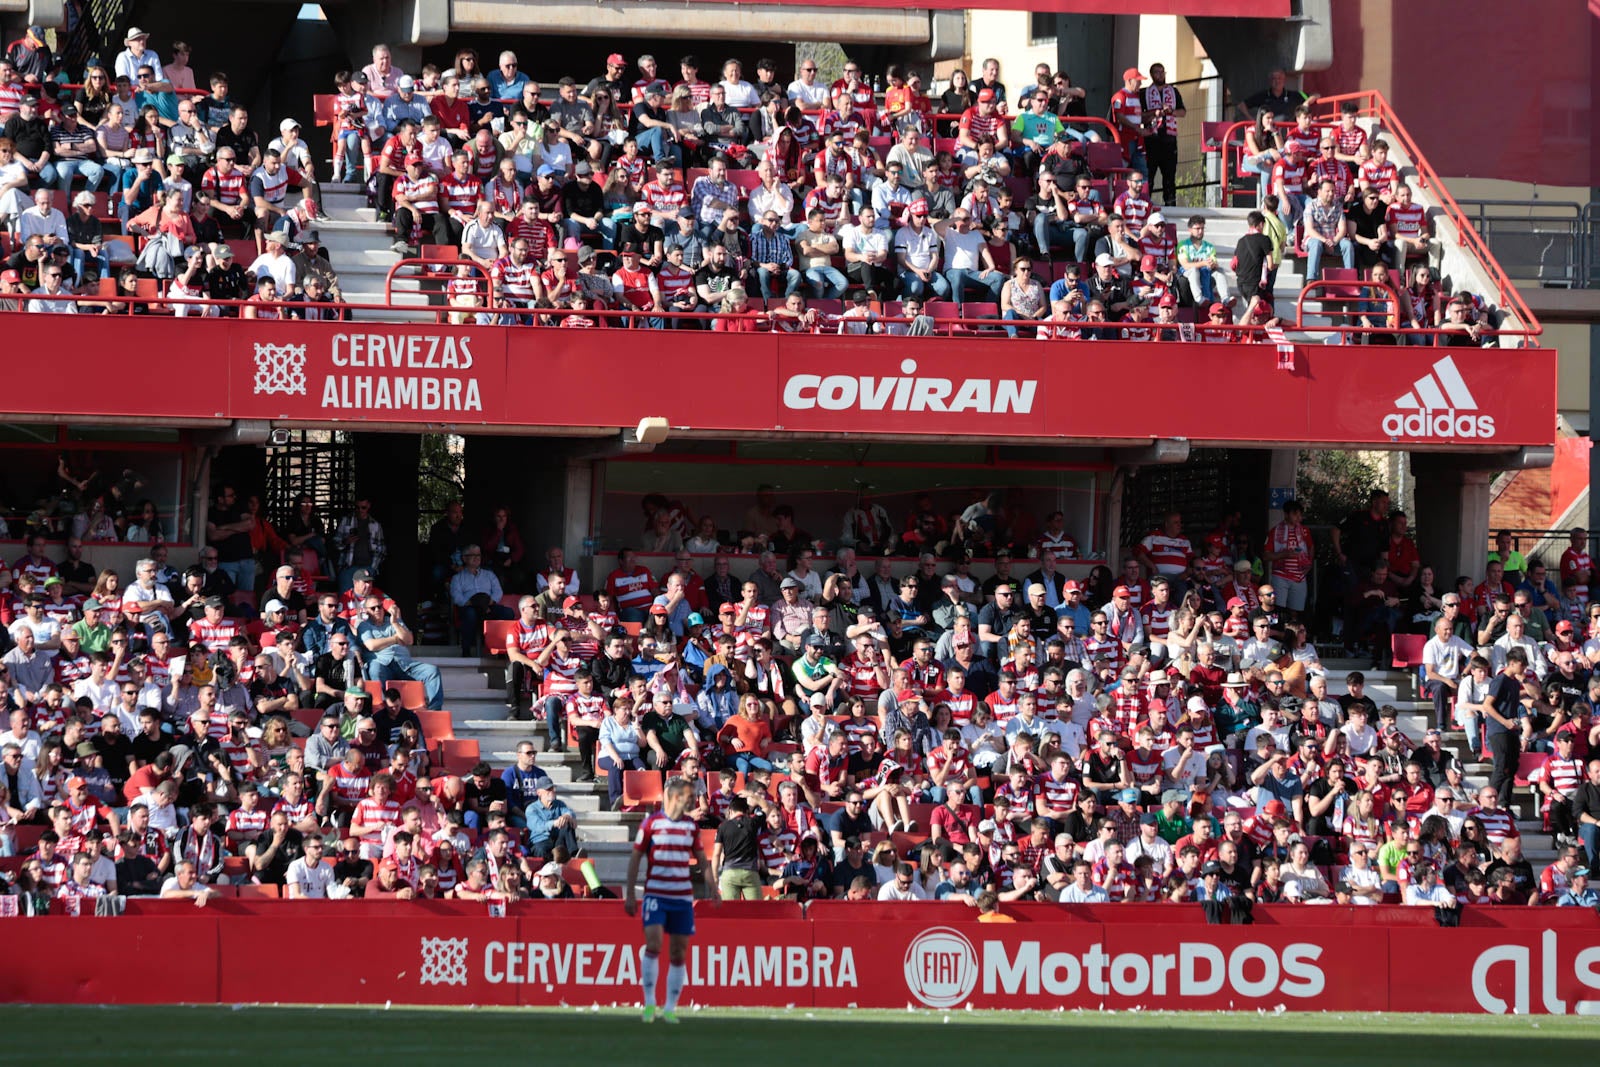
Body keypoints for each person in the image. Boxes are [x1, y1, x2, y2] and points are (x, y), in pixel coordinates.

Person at [625, 777, 710, 1024]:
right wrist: (630, 893)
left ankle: (670, 1007)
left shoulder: (691, 827)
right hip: (656, 894)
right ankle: (650, 1002)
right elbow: (635, 858)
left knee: (678, 950)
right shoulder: (651, 823)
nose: (693, 800)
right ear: (675, 797)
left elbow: (702, 860)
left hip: (682, 896)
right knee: (653, 943)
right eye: (688, 796)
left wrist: (712, 886)